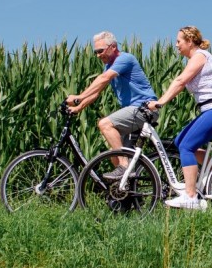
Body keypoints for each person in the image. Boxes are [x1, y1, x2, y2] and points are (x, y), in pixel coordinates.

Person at [147, 25, 212, 210]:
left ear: (189, 41)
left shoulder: (200, 56)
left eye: (179, 41)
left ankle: (191, 196)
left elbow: (180, 81)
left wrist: (160, 102)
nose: (176, 45)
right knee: (180, 142)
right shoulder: (195, 58)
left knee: (187, 146)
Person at [65, 31, 156, 179]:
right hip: (133, 111)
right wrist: (78, 108)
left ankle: (125, 167)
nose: (98, 55)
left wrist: (79, 97)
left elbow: (104, 78)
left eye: (100, 51)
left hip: (143, 107)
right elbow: (96, 93)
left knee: (105, 124)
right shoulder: (109, 66)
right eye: (95, 52)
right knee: (115, 154)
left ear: (113, 47)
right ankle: (127, 188)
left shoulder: (125, 59)